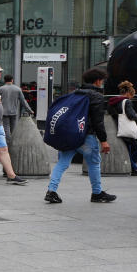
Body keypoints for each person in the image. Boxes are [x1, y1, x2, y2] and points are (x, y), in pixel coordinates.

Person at [45, 68, 115, 204]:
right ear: (98, 81)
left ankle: (51, 191)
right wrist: (104, 141)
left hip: (70, 135)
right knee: (94, 163)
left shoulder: (75, 93)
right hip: (86, 136)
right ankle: (97, 193)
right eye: (102, 81)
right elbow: (98, 122)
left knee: (62, 163)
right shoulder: (96, 96)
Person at [113, 81, 137, 176]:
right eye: (132, 95)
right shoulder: (127, 101)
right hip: (128, 129)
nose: (131, 97)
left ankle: (132, 166)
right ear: (128, 93)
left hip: (119, 127)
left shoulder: (113, 101)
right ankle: (134, 167)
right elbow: (131, 115)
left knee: (129, 149)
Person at [0, 73, 32, 142]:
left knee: (6, 128)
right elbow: (23, 101)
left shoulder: (0, 89)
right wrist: (29, 110)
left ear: (4, 80)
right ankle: (13, 141)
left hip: (3, 112)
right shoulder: (17, 89)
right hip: (14, 112)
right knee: (13, 128)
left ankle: (8, 143)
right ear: (12, 80)